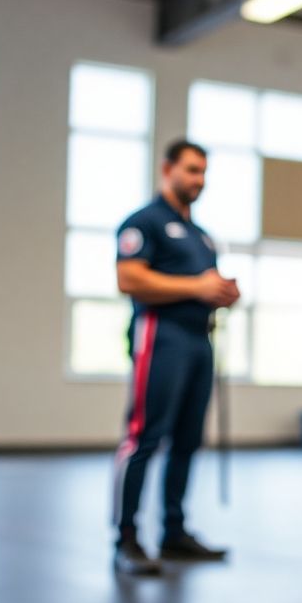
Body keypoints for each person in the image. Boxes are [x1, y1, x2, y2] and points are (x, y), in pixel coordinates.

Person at [111, 138, 240, 576]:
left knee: (188, 439)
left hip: (198, 340)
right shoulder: (144, 222)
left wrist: (221, 294)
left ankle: (174, 532)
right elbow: (129, 279)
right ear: (168, 170)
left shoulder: (201, 236)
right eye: (190, 170)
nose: (197, 179)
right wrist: (196, 288)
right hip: (160, 335)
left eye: (203, 172)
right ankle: (127, 538)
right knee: (144, 436)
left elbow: (205, 285)